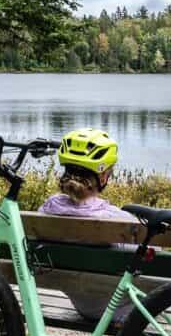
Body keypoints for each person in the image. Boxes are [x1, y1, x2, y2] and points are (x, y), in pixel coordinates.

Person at [38, 128, 135, 323]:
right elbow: (155, 253)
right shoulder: (115, 220)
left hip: (83, 306)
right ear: (103, 177)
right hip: (121, 309)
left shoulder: (46, 211)